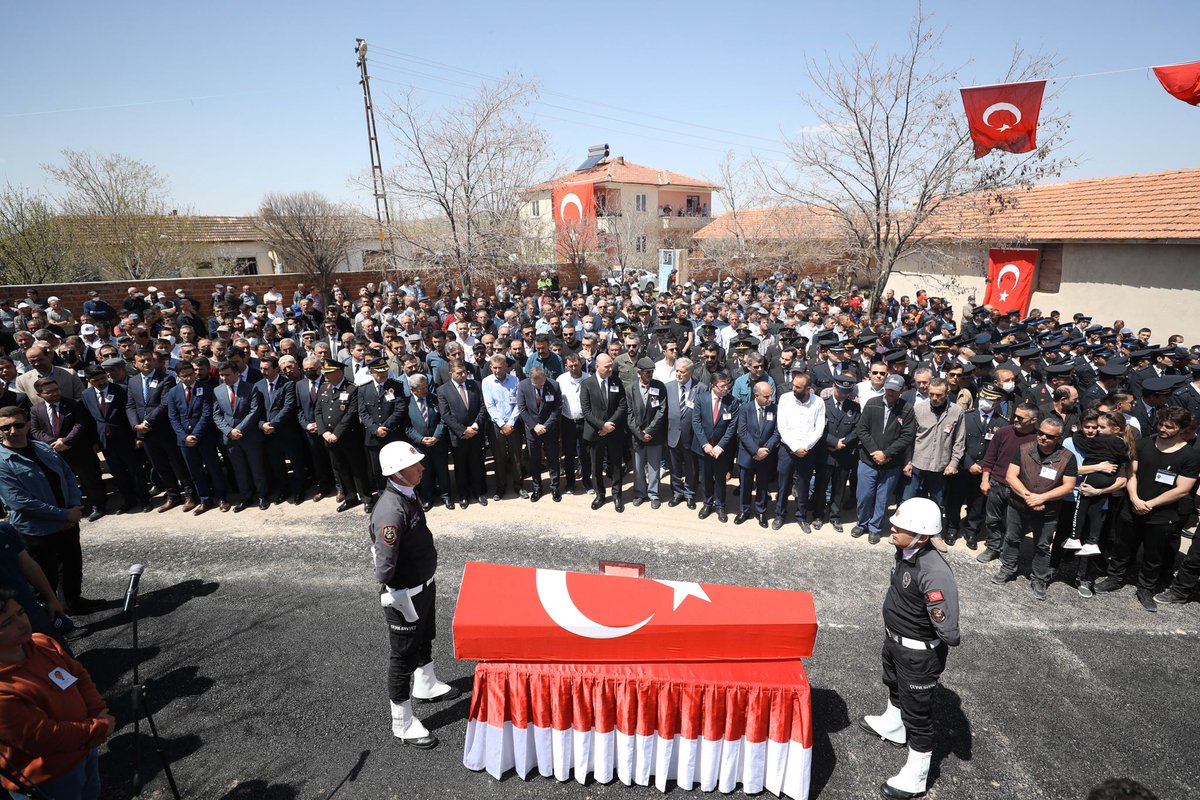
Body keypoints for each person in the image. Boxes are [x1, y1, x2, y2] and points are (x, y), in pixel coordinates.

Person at [859, 497, 960, 800]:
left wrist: (924, 643)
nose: (893, 527)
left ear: (923, 536)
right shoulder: (905, 550)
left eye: (901, 526)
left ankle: (916, 776)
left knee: (919, 716)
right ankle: (893, 725)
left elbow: (949, 630)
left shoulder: (934, 571)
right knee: (893, 684)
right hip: (895, 641)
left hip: (918, 653)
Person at [371, 442, 462, 749]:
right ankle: (403, 721)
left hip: (423, 586)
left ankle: (426, 685)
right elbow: (384, 569)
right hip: (405, 595)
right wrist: (399, 595)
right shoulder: (390, 511)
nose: (423, 467)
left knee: (424, 639)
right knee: (402, 658)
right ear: (397, 472)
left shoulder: (407, 494)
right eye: (415, 465)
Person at [0, 589, 114, 799]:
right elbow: (44, 737)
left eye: (21, 612)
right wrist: (98, 728)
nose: (23, 623)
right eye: (7, 623)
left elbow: (78, 674)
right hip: (50, 779)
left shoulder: (41, 642)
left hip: (85, 751)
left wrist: (98, 711)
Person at [0, 407, 101, 616]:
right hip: (37, 530)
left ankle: (73, 603)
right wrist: (64, 515)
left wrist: (74, 506)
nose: (12, 430)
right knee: (44, 578)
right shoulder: (2, 462)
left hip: (68, 522)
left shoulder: (42, 448)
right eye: (5, 427)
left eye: (17, 425)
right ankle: (52, 620)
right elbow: (20, 502)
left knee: (72, 566)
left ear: (28, 425)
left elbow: (68, 475)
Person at [1097, 407, 1199, 612]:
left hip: (1162, 514)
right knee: (1122, 546)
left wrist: (1150, 504)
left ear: (1181, 429)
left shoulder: (1190, 455)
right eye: (1161, 424)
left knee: (1154, 555)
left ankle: (1146, 588)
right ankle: (1115, 577)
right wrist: (1134, 498)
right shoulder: (1143, 444)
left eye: (1169, 427)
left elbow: (1182, 489)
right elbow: (1130, 473)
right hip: (1132, 506)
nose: (1163, 429)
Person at [993, 416, 1078, 600]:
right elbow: (1011, 476)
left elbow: (1069, 486)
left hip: (1048, 510)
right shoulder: (1023, 449)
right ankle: (1007, 568)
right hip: (1018, 505)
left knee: (1042, 545)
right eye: (1040, 433)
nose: (1043, 437)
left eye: (1048, 436)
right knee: (1012, 538)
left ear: (1059, 438)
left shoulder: (1067, 458)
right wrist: (1028, 496)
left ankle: (1039, 578)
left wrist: (1042, 498)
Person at [854, 375, 916, 544]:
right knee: (864, 495)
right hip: (868, 459)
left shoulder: (907, 409)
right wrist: (875, 451)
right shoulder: (872, 403)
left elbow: (907, 436)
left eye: (894, 391)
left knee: (883, 498)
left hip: (891, 463)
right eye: (888, 389)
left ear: (902, 391)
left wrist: (887, 454)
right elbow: (862, 429)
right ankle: (862, 523)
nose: (890, 393)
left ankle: (875, 527)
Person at [901, 378, 965, 508]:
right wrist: (907, 461)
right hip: (917, 463)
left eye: (939, 395)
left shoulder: (957, 411)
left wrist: (953, 463)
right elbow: (909, 439)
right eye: (931, 394)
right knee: (907, 499)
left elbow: (959, 440)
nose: (934, 398)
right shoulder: (918, 409)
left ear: (947, 393)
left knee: (937, 502)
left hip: (940, 465)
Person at [212, 361, 268, 511]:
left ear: (237, 373)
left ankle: (262, 495)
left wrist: (238, 429)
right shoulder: (217, 391)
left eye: (227, 375)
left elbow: (254, 411)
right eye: (222, 375)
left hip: (249, 435)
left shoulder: (251, 388)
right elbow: (217, 415)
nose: (224, 378)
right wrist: (229, 431)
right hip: (230, 438)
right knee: (239, 469)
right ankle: (246, 497)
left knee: (256, 468)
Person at [775, 372, 826, 531]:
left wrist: (806, 447)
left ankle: (801, 516)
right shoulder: (785, 399)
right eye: (793, 385)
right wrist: (794, 447)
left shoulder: (818, 402)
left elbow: (819, 429)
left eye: (798, 387)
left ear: (808, 388)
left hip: (807, 450)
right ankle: (780, 515)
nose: (793, 389)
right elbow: (782, 426)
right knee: (783, 484)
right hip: (787, 448)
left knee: (803, 484)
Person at [810, 374, 861, 532]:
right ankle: (818, 515)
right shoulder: (822, 404)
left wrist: (843, 443)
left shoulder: (854, 407)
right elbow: (817, 428)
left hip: (843, 455)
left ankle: (835, 516)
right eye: (840, 390)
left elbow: (858, 429)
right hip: (824, 453)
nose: (843, 394)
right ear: (834, 386)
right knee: (820, 486)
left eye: (846, 391)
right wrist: (832, 442)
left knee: (839, 488)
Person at [580, 354, 629, 511]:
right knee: (596, 466)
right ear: (597, 367)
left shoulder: (616, 381)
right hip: (596, 432)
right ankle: (600, 494)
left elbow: (622, 405)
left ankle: (617, 495)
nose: (610, 369)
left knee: (615, 465)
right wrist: (602, 426)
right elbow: (586, 411)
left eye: (611, 365)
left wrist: (609, 426)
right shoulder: (587, 384)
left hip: (614, 431)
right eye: (607, 366)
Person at [691, 372, 739, 522]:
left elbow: (732, 427)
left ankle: (720, 505)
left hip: (722, 449)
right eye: (722, 386)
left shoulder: (732, 402)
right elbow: (696, 422)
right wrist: (705, 444)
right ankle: (707, 503)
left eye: (727, 385)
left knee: (720, 478)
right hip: (704, 447)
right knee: (705, 477)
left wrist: (720, 446)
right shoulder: (701, 398)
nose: (726, 389)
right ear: (713, 386)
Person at [403, 373, 451, 510]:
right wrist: (420, 439)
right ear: (412, 389)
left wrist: (437, 436)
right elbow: (407, 427)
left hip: (437, 442)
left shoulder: (434, 399)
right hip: (420, 446)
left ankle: (446, 496)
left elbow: (443, 419)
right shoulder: (406, 403)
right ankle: (428, 498)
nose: (425, 390)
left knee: (442, 470)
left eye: (426, 387)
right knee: (424, 473)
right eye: (421, 388)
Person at [736, 380, 779, 527]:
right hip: (748, 454)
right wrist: (755, 450)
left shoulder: (775, 409)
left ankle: (761, 511)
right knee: (745, 485)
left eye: (771, 396)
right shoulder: (745, 409)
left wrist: (765, 450)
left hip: (766, 455)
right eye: (766, 397)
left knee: (762, 485)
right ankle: (744, 510)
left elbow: (776, 432)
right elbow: (742, 432)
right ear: (756, 396)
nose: (770, 399)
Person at [515, 366, 562, 502]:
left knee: (553, 458)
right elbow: (522, 409)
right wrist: (535, 426)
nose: (539, 386)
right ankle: (537, 487)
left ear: (545, 378)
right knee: (534, 460)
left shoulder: (554, 385)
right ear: (531, 380)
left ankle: (554, 486)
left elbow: (557, 409)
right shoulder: (523, 386)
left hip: (549, 429)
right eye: (536, 384)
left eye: (541, 384)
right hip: (532, 430)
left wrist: (545, 426)